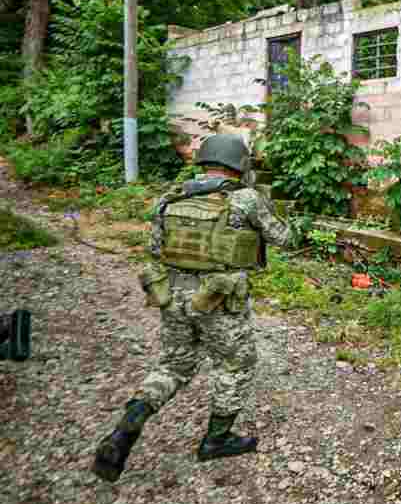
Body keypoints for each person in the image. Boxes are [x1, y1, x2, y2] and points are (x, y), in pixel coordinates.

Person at [92, 134, 296, 483]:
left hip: (172, 297)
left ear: (202, 162)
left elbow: (155, 249)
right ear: (240, 165)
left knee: (174, 365)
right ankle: (216, 440)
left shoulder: (171, 198)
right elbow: (286, 239)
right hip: (219, 300)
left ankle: (126, 428)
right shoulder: (246, 199)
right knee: (235, 364)